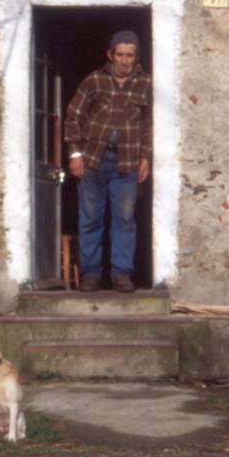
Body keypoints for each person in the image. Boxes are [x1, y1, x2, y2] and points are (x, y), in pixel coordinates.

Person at [64, 30, 152, 293]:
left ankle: (121, 274)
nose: (125, 61)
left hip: (127, 162)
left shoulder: (146, 84)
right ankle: (91, 274)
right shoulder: (94, 81)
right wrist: (75, 154)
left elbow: (149, 125)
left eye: (130, 56)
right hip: (93, 160)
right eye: (121, 55)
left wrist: (146, 157)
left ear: (136, 58)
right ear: (110, 55)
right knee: (91, 218)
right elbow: (73, 117)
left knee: (125, 219)